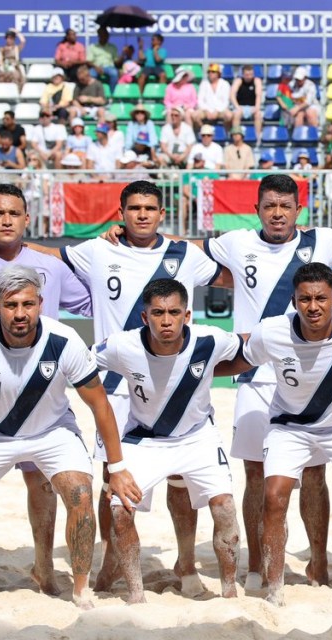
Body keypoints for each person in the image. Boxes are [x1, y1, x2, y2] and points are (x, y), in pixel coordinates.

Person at [18, 181, 221, 596]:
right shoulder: (97, 249)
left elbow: (246, 277)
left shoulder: (186, 255)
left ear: (162, 214)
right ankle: (110, 563)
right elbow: (50, 255)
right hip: (114, 387)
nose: (142, 214)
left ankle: (185, 565)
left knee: (180, 478)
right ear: (121, 212)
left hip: (174, 381)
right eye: (134, 208)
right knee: (112, 481)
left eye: (150, 208)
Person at [198, 174, 332, 591]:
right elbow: (184, 250)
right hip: (255, 377)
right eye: (270, 206)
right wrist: (126, 236)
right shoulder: (236, 243)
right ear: (257, 209)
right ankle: (257, 564)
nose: (278, 214)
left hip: (309, 376)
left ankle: (318, 561)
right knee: (255, 472)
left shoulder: (328, 241)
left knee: (314, 474)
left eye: (285, 206)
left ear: (298, 210)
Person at [0, 264, 117, 614]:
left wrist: (118, 465)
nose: (20, 313)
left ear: (41, 303)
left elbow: (100, 404)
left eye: (28, 304)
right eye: (11, 305)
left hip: (52, 431)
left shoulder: (64, 340)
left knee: (80, 492)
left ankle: (81, 590)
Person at [0, 184, 92, 600]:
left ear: (27, 219)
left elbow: (94, 302)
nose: (6, 220)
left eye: (14, 213)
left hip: (43, 393)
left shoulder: (51, 266)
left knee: (43, 486)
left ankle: (44, 565)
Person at [220, 263, 332, 606]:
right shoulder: (272, 331)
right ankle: (275, 589)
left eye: (321, 299)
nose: (313, 307)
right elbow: (242, 361)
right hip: (290, 427)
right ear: (294, 301)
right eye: (305, 299)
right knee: (274, 495)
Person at [94, 279, 242, 603]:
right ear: (144, 317)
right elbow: (78, 362)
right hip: (145, 439)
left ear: (186, 315)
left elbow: (249, 351)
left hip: (198, 437)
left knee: (226, 508)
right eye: (158, 313)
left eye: (174, 312)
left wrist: (203, 373)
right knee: (120, 510)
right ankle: (136, 595)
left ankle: (229, 593)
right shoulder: (122, 345)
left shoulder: (211, 340)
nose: (166, 320)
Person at [230, 64, 264, 140]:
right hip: (240, 107)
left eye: (251, 74)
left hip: (252, 107)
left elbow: (258, 95)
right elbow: (232, 95)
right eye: (247, 74)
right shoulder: (238, 81)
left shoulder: (256, 81)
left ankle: (258, 137)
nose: (249, 76)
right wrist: (237, 107)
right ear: (243, 74)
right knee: (236, 114)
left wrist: (257, 107)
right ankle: (235, 136)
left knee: (258, 114)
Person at [194, 62, 231, 130]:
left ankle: (227, 135)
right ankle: (203, 131)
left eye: (213, 72)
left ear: (218, 73)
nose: (210, 74)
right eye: (209, 72)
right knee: (195, 116)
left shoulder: (225, 84)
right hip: (206, 110)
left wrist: (217, 111)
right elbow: (200, 100)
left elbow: (226, 101)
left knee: (229, 116)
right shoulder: (204, 84)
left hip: (220, 110)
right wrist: (206, 110)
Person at [87, 26, 120, 91]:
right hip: (96, 67)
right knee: (91, 74)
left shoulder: (112, 47)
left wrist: (123, 54)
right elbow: (88, 61)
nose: (104, 37)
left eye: (106, 35)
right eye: (102, 35)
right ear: (99, 36)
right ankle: (94, 94)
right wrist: (96, 67)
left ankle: (112, 95)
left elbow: (116, 61)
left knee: (114, 73)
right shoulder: (93, 47)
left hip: (109, 67)